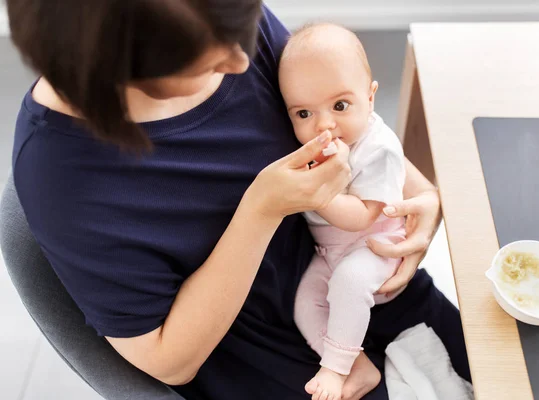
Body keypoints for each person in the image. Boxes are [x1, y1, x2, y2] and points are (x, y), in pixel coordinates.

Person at [7, 1, 470, 399]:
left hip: (362, 276)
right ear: (119, 61)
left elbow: (342, 122)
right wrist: (260, 211)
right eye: (206, 63)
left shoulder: (218, 17)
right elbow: (168, 361)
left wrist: (422, 195)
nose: (241, 62)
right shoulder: (62, 173)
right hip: (263, 356)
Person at [280, 24, 408, 400]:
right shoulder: (316, 146)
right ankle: (355, 364)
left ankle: (334, 369)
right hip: (329, 251)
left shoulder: (378, 147)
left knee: (350, 281)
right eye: (304, 113)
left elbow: (362, 216)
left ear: (370, 98)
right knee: (305, 303)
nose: (324, 125)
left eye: (340, 106)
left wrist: (316, 194)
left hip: (376, 245)